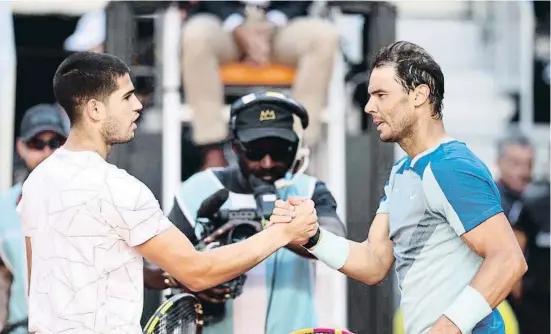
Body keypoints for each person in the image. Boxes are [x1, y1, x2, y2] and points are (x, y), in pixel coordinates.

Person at [17, 52, 318, 334]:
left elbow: (47, 276)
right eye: (126, 96)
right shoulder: (119, 189)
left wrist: (153, 277)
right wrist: (282, 232)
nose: (137, 105)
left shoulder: (37, 182)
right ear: (95, 110)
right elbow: (199, 272)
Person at [270, 41, 528, 334]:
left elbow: (508, 260)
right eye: (370, 96)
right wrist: (312, 236)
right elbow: (373, 261)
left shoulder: (452, 167)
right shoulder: (403, 171)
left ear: (419, 95)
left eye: (381, 95)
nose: (369, 107)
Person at [155, 91, 346, 334]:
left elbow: (336, 241)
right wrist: (188, 278)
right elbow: (156, 266)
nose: (267, 163)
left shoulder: (309, 189)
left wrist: (280, 230)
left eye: (279, 151)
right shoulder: (199, 188)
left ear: (295, 148)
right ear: (235, 147)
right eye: (255, 151)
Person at [181, 1, 340, 169]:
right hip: (223, 21)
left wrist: (273, 23)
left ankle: (297, 150)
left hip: (282, 22)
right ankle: (212, 148)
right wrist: (235, 24)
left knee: (324, 37)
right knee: (195, 35)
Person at [0, 103, 69, 334]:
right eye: (36, 144)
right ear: (21, 147)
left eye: (55, 143)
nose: (47, 152)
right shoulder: (4, 209)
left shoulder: (86, 200)